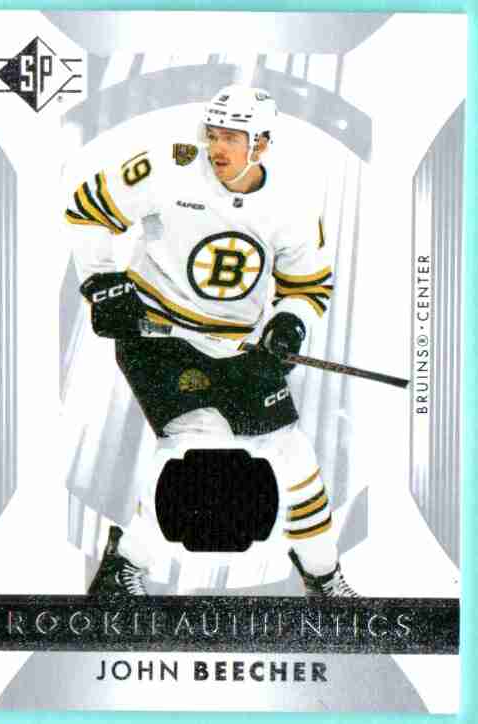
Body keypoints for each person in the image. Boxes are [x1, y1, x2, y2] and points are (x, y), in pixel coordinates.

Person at [65, 84, 357, 598]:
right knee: (195, 446)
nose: (216, 147)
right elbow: (88, 208)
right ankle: (125, 567)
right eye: (213, 133)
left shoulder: (292, 203)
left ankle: (324, 573)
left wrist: (287, 325)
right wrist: (102, 281)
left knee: (291, 453)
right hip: (157, 334)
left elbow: (307, 286)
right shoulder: (170, 166)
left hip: (236, 345)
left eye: (231, 138)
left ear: (260, 144)